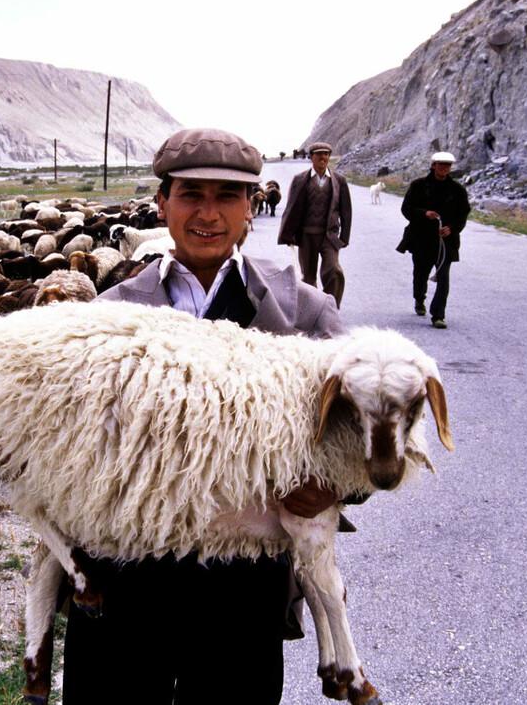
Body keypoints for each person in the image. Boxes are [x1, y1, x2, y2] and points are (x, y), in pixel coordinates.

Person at [62, 127, 346, 705]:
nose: (208, 214)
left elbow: (369, 424)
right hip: (122, 578)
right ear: (162, 203)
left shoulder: (301, 312)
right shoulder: (107, 315)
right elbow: (56, 437)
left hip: (244, 588)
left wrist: (333, 484)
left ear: (252, 206)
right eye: (191, 194)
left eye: (227, 196)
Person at [397, 151, 471, 329]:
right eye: (441, 164)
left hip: (446, 242)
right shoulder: (418, 186)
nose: (444, 168)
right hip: (421, 238)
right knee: (420, 274)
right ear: (433, 165)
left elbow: (463, 213)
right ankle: (419, 298)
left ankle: (438, 315)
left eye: (448, 165)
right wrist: (424, 214)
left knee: (443, 277)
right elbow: (406, 208)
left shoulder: (458, 190)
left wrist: (452, 228)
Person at [277, 141, 352, 307]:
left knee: (333, 271)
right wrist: (287, 234)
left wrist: (344, 236)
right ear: (311, 157)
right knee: (308, 278)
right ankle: (313, 311)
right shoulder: (300, 179)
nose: (323, 157)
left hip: (329, 236)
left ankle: (331, 308)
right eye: (319, 154)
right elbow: (292, 207)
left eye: (326, 154)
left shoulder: (339, 180)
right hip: (306, 236)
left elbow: (346, 211)